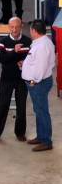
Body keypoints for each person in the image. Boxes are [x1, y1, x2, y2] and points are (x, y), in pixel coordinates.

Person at [0, 17, 31, 143]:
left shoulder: (28, 41)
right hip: (6, 78)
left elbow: (30, 57)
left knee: (21, 107)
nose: (14, 29)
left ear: (21, 26)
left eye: (16, 27)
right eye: (11, 27)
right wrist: (14, 51)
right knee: (2, 105)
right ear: (8, 27)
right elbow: (2, 59)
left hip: (22, 79)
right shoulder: (3, 42)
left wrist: (24, 62)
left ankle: (20, 133)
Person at [22, 20, 56, 152]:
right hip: (39, 82)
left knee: (42, 112)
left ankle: (46, 141)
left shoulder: (42, 46)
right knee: (39, 110)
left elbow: (41, 67)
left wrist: (34, 81)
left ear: (34, 31)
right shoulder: (42, 42)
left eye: (30, 30)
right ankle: (41, 137)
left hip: (38, 83)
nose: (29, 32)